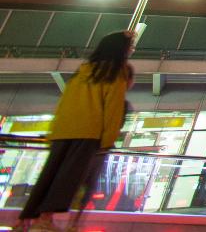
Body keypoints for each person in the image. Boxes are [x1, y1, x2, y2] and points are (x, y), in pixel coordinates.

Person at [20, 31, 134, 231]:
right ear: (121, 50)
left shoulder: (84, 70)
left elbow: (65, 102)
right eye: (130, 47)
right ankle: (45, 220)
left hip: (63, 131)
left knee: (49, 176)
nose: (132, 50)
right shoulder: (116, 72)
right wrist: (107, 140)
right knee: (67, 179)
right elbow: (112, 109)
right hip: (88, 133)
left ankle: (24, 221)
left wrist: (54, 132)